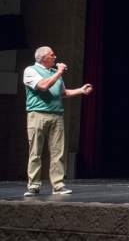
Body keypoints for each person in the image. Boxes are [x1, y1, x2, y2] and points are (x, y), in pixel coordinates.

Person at [22, 46, 93, 196]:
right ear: (42, 58)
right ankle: (33, 185)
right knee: (35, 151)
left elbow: (63, 93)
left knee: (58, 152)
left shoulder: (55, 73)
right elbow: (42, 86)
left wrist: (81, 90)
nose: (55, 57)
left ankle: (58, 185)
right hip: (38, 114)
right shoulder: (30, 70)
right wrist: (59, 72)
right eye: (51, 55)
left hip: (57, 115)